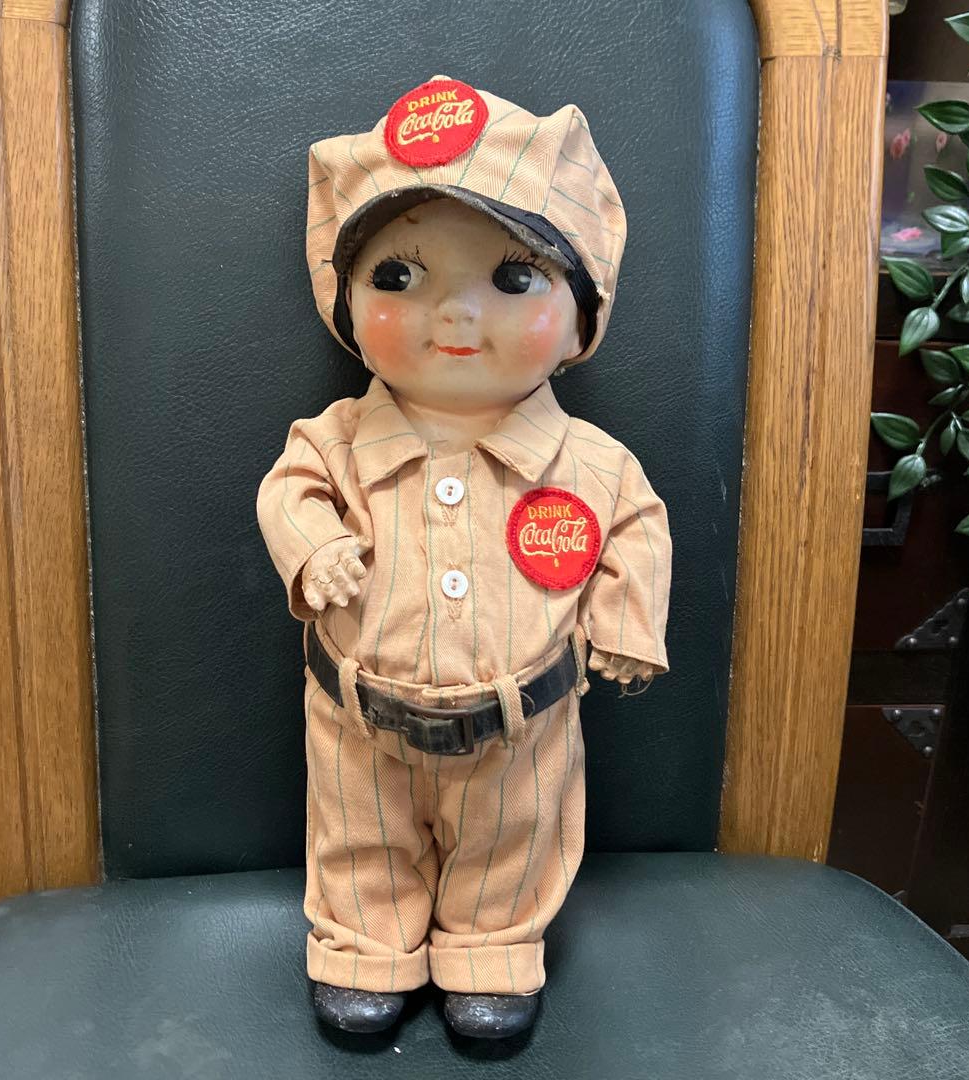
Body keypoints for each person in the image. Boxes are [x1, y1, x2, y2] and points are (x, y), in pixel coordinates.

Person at [256, 75, 671, 1039]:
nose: (453, 314)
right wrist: (315, 547)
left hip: (522, 727)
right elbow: (287, 491)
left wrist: (626, 622)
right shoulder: (333, 439)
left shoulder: (591, 464)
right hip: (359, 719)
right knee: (359, 840)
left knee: (513, 846)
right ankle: (364, 948)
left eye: (513, 279)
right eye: (398, 278)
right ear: (344, 303)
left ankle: (494, 953)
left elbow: (636, 529)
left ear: (582, 317)